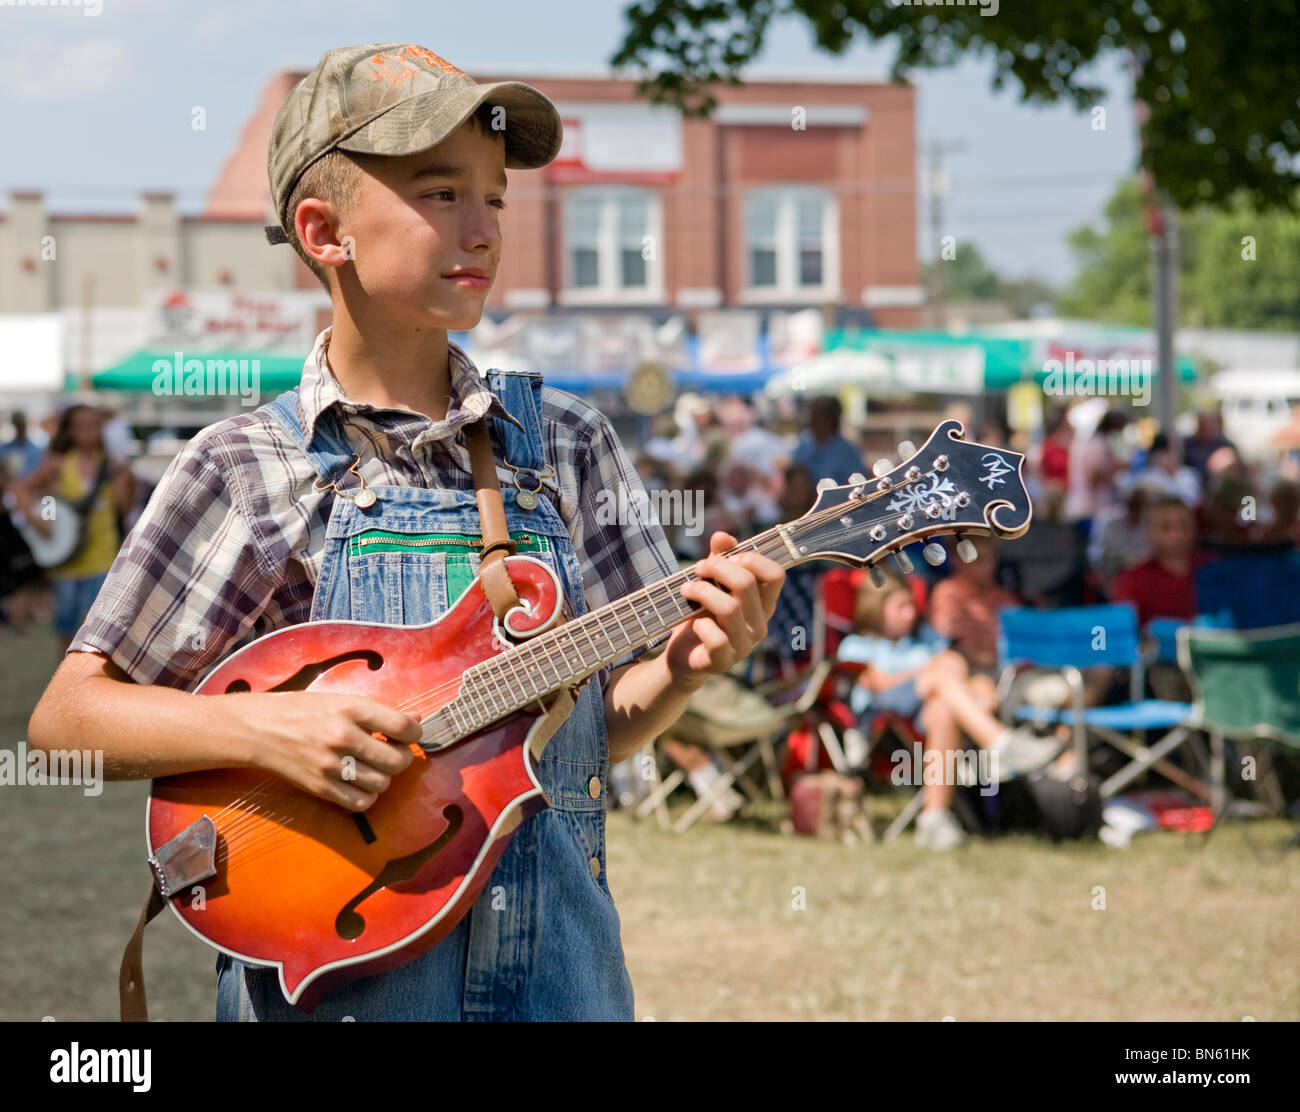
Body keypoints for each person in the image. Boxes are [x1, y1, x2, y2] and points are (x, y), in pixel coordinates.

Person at [26, 43, 785, 1023]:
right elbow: (67, 720)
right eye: (439, 193)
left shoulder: (567, 443)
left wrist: (688, 663)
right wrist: (272, 727)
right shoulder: (246, 465)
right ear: (323, 229)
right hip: (336, 974)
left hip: (564, 982)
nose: (481, 227)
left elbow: (595, 728)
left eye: (495, 198)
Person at [837, 573, 1060, 851]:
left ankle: (933, 819)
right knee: (945, 669)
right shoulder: (857, 646)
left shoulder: (921, 641)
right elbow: (878, 684)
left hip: (928, 721)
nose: (909, 614)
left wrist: (971, 683)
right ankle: (998, 743)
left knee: (949, 701)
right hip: (885, 724)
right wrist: (932, 671)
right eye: (899, 607)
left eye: (911, 606)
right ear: (875, 608)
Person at [10, 404, 134, 651]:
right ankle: (66, 678)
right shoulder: (59, 464)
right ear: (70, 431)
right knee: (66, 626)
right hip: (66, 560)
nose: (87, 433)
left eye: (92, 427)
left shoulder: (111, 465)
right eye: (80, 427)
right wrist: (42, 519)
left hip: (102, 556)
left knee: (98, 628)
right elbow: (24, 490)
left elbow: (124, 510)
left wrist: (123, 480)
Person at [927, 535, 1020, 674]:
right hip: (968, 671)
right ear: (956, 559)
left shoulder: (1003, 596)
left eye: (990, 557)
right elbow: (949, 642)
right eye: (979, 559)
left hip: (1010, 670)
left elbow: (1021, 637)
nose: (988, 565)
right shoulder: (948, 592)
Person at [1111, 494, 1204, 627]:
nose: (1176, 534)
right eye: (1166, 527)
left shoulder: (1214, 570)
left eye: (1184, 525)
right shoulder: (1132, 580)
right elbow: (1122, 631)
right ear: (1150, 531)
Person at [792, 395, 866, 485]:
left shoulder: (848, 451)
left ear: (830, 419)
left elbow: (857, 484)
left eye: (817, 417)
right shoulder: (804, 446)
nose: (811, 421)